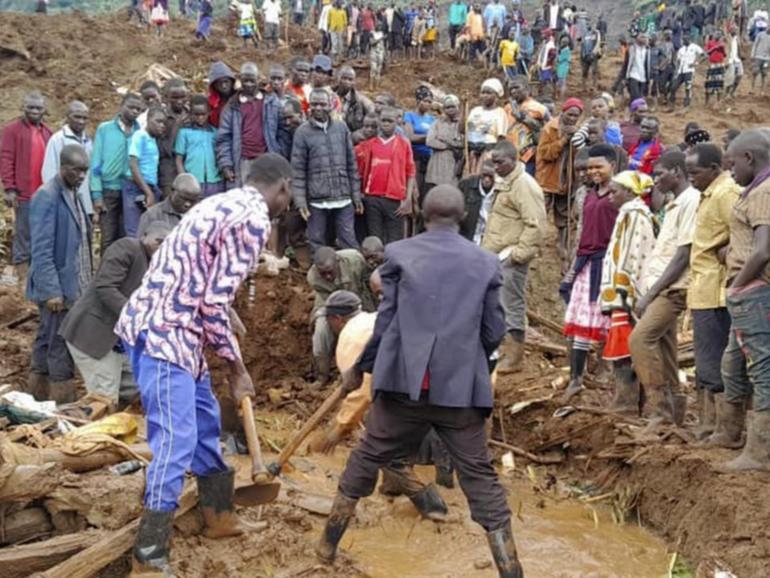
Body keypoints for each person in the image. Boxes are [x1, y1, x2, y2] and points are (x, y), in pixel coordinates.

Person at [315, 185, 524, 578]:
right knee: (479, 476)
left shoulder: (400, 254)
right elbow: (494, 330)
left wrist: (359, 368)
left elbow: (387, 323)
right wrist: (463, 361)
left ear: (422, 214)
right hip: (459, 392)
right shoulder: (484, 262)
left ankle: (326, 547)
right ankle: (511, 571)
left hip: (404, 388)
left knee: (366, 456)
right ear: (463, 216)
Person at [116, 153, 292, 573]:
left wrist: (226, 311)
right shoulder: (253, 221)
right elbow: (212, 301)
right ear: (283, 187)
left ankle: (219, 515)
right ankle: (150, 553)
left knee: (204, 422)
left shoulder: (221, 202)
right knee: (175, 440)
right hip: (164, 335)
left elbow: (197, 276)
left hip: (177, 329)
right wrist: (236, 370)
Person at [311, 288, 450, 516]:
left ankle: (434, 508)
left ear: (335, 319)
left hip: (414, 390)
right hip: (442, 383)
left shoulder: (351, 337)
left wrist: (338, 429)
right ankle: (397, 488)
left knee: (384, 450)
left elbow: (363, 392)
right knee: (419, 438)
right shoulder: (371, 319)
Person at [708, 129, 770, 472]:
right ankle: (730, 431)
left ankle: (760, 454)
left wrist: (738, 286)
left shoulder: (764, 192)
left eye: (733, 164)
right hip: (748, 291)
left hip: (754, 292)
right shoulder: (755, 190)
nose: (730, 172)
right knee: (732, 363)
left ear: (749, 158)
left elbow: (762, 250)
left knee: (762, 369)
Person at [60, 222, 170, 407]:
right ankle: (72, 431)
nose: (161, 247)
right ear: (144, 236)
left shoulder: (158, 266)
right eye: (158, 241)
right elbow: (105, 286)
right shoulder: (128, 247)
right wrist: (134, 315)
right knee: (104, 400)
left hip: (118, 343)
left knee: (141, 385)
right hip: (93, 337)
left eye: (167, 244)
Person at [628, 151, 700, 423]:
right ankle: (674, 413)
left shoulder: (690, 201)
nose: (655, 179)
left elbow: (683, 254)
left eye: (660, 174)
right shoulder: (674, 204)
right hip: (664, 286)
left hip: (673, 289)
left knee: (640, 339)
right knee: (666, 348)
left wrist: (650, 294)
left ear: (677, 172)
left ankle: (660, 410)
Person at [684, 143, 741, 441]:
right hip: (704, 288)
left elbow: (744, 233)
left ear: (714, 169)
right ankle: (709, 425)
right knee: (707, 361)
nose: (690, 178)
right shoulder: (708, 194)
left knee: (715, 361)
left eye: (694, 173)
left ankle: (723, 428)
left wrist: (727, 256)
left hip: (717, 291)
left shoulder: (725, 194)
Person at [26, 145, 91, 404]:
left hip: (72, 282)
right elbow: (41, 249)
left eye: (85, 171)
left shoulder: (72, 192)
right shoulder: (47, 196)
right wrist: (52, 290)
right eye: (77, 170)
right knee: (60, 342)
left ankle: (38, 396)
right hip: (57, 287)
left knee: (47, 337)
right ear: (63, 167)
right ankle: (63, 400)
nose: (83, 176)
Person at [482, 140, 546, 375]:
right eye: (494, 162)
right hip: (497, 255)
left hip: (511, 255)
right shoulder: (507, 181)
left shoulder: (524, 185)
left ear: (515, 159)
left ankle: (515, 356)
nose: (496, 166)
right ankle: (503, 350)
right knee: (498, 304)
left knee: (512, 305)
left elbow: (536, 225)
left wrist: (518, 255)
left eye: (500, 162)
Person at [560, 144, 619, 400]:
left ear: (612, 166)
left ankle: (609, 372)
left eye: (599, 167)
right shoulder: (588, 194)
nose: (593, 171)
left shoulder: (619, 196)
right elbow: (582, 231)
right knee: (582, 323)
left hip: (608, 265)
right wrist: (573, 267)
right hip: (585, 262)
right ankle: (576, 377)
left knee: (608, 320)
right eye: (590, 167)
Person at [598, 171, 656, 409]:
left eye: (615, 191)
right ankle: (629, 400)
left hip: (625, 293)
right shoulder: (628, 214)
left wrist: (624, 291)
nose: (609, 196)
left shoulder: (635, 216)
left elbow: (632, 258)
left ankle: (627, 403)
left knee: (625, 348)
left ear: (630, 192)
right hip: (621, 292)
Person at [291, 88, 362, 254]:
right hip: (317, 199)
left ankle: (355, 275)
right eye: (314, 104)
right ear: (308, 106)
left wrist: (356, 196)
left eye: (322, 104)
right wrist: (300, 202)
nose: (318, 108)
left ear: (330, 105)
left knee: (348, 239)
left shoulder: (341, 128)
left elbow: (351, 164)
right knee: (316, 241)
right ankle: (319, 276)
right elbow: (298, 171)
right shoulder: (302, 132)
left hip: (343, 196)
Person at [1, 92, 52, 284]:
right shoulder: (11, 130)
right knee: (23, 235)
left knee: (41, 235)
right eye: (30, 107)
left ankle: (36, 278)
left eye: (38, 108)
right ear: (23, 107)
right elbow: (6, 159)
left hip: (43, 195)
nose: (34, 111)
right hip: (23, 194)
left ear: (44, 110)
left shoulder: (47, 133)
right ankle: (22, 281)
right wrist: (9, 188)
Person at [307, 246, 373, 385]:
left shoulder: (355, 260)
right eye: (323, 273)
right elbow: (331, 305)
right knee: (321, 329)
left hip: (359, 300)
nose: (328, 277)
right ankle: (322, 374)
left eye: (330, 272)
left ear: (337, 261)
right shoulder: (313, 277)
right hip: (331, 304)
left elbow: (370, 283)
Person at [91, 93, 143, 253]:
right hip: (109, 190)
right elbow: (96, 162)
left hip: (131, 190)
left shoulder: (140, 132)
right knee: (108, 238)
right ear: (121, 106)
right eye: (131, 107)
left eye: (138, 109)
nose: (134, 111)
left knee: (126, 236)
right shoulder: (105, 129)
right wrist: (97, 194)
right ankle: (105, 276)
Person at [216, 63, 282, 189]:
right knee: (244, 200)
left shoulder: (271, 103)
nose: (249, 84)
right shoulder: (232, 106)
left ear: (259, 79)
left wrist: (278, 152)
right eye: (245, 81)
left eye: (252, 80)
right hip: (242, 161)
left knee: (267, 198)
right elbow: (224, 138)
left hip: (266, 159)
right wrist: (226, 164)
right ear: (240, 80)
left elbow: (282, 130)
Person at [356, 107, 416, 244]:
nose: (386, 124)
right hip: (372, 198)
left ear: (397, 122)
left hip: (394, 199)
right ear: (379, 122)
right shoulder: (370, 144)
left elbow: (410, 172)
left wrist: (408, 198)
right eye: (383, 120)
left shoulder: (403, 144)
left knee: (395, 239)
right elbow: (360, 170)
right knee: (375, 237)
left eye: (390, 121)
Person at [536, 98, 583, 270]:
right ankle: (535, 246)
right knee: (541, 213)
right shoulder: (551, 128)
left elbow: (579, 155)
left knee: (564, 216)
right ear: (563, 112)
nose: (572, 118)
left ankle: (562, 246)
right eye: (569, 114)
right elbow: (545, 154)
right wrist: (563, 140)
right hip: (548, 178)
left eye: (575, 116)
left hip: (566, 180)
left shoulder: (578, 131)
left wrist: (575, 140)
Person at [41, 101, 93, 219]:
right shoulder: (58, 139)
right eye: (77, 117)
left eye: (85, 118)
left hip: (85, 200)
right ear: (67, 116)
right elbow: (49, 172)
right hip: (64, 200)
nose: (81, 121)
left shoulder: (88, 141)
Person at [124, 106, 167, 238]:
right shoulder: (140, 135)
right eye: (158, 121)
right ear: (148, 120)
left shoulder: (153, 139)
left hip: (149, 187)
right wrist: (148, 192)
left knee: (147, 229)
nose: (162, 125)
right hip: (136, 187)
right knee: (134, 230)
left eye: (164, 123)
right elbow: (133, 164)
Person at [174, 94, 224, 198]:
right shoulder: (184, 133)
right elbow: (179, 159)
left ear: (209, 112)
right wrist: (184, 179)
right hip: (193, 181)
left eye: (203, 114)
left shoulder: (215, 132)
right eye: (196, 114)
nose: (200, 118)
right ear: (190, 114)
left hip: (215, 181)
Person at [505, 76, 549, 176]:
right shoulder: (507, 108)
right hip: (509, 156)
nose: (513, 91)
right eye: (511, 89)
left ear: (527, 88)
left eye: (516, 87)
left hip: (528, 156)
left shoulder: (539, 108)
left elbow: (549, 129)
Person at [137, 173, 202, 237]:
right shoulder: (152, 215)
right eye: (183, 198)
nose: (187, 204)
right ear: (172, 191)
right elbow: (140, 244)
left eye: (193, 201)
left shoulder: (200, 216)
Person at [466, 79, 508, 175]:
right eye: (483, 92)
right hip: (472, 151)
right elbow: (464, 130)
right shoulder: (475, 111)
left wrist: (493, 155)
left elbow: (501, 138)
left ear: (496, 96)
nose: (484, 95)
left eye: (488, 93)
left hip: (487, 152)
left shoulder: (500, 113)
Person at [157, 79, 190, 199]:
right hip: (168, 173)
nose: (180, 101)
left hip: (190, 169)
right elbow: (164, 150)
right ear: (166, 98)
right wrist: (176, 126)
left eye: (183, 97)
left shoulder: (191, 114)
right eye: (175, 98)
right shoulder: (161, 117)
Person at [403, 86, 436, 204]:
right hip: (415, 157)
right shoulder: (409, 116)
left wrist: (424, 138)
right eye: (425, 101)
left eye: (430, 102)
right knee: (414, 190)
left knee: (427, 192)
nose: (428, 104)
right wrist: (429, 138)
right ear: (418, 101)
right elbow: (409, 137)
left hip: (430, 158)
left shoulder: (432, 119)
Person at [426, 94, 464, 188]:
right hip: (437, 164)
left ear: (458, 107)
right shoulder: (437, 123)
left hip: (453, 165)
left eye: (453, 106)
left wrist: (443, 140)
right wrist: (448, 146)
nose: (450, 109)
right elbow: (430, 141)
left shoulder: (461, 125)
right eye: (447, 107)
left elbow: (462, 143)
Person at [459, 160, 497, 243]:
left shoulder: (500, 191)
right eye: (484, 175)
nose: (487, 179)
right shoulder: (466, 185)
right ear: (480, 173)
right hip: (467, 236)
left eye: (490, 176)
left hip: (489, 239)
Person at [669, 35, 705, 109]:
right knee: (673, 87)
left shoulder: (695, 47)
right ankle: (671, 104)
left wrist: (696, 63)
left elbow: (704, 55)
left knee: (688, 88)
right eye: (683, 40)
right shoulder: (681, 49)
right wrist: (677, 70)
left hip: (689, 71)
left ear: (689, 40)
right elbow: (678, 60)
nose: (683, 41)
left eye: (685, 40)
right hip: (681, 71)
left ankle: (687, 105)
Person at [337, 66, 375, 134]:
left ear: (354, 82)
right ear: (338, 79)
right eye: (344, 78)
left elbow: (374, 115)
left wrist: (357, 136)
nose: (347, 82)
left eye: (350, 79)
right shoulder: (329, 96)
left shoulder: (361, 100)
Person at [206, 61, 236, 128]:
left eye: (226, 81)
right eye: (220, 83)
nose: (224, 86)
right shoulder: (211, 103)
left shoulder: (239, 98)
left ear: (232, 82)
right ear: (214, 85)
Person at [625, 33, 652, 101]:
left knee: (640, 98)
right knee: (635, 97)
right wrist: (625, 77)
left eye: (645, 37)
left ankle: (634, 110)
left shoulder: (647, 50)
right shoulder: (632, 49)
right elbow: (626, 64)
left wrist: (648, 78)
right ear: (637, 38)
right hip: (633, 75)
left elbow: (647, 66)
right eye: (642, 37)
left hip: (643, 77)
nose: (644, 39)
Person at [704, 31, 727, 104]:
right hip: (712, 64)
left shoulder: (722, 44)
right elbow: (706, 53)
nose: (718, 36)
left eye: (719, 35)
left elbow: (724, 55)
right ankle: (707, 102)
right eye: (716, 34)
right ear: (713, 35)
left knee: (719, 83)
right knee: (709, 83)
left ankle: (718, 101)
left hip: (720, 64)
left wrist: (722, 48)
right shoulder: (710, 43)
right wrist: (715, 48)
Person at [580, 23, 602, 89]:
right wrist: (582, 55)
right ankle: (584, 86)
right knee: (584, 71)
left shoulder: (596, 33)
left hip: (593, 55)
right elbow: (582, 44)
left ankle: (594, 86)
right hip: (585, 55)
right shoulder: (584, 34)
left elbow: (598, 43)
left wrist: (593, 53)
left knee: (594, 71)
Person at [725, 24, 744, 99]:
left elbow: (739, 48)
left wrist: (741, 55)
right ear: (730, 30)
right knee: (730, 78)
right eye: (734, 29)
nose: (735, 31)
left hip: (737, 59)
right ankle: (727, 94)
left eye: (736, 29)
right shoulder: (727, 38)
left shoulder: (737, 38)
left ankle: (732, 92)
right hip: (730, 60)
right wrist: (725, 61)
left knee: (740, 75)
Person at [751, 25, 770, 94]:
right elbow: (755, 44)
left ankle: (762, 91)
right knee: (755, 72)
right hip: (758, 56)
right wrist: (752, 54)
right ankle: (752, 89)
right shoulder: (760, 34)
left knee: (764, 74)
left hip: (767, 58)